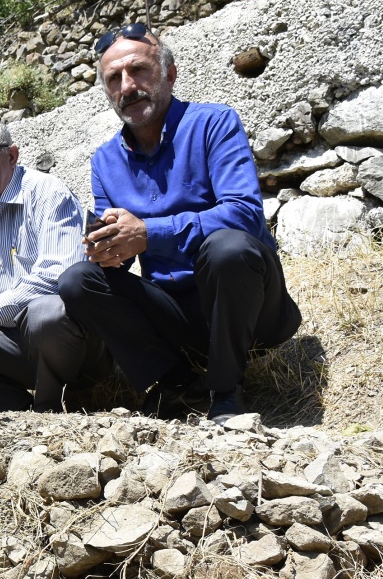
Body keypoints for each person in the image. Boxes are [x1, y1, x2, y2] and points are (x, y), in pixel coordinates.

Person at [58, 23, 301, 423]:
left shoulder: (214, 124)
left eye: (138, 70)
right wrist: (108, 247)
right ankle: (173, 383)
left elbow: (244, 213)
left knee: (227, 247)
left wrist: (149, 234)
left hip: (249, 306)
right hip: (175, 314)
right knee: (77, 281)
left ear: (169, 74)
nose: (127, 86)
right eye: (114, 79)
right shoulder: (105, 162)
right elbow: (120, 255)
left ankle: (225, 390)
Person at [0, 115, 108, 412]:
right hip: (5, 343)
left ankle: (52, 406)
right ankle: (8, 402)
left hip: (67, 343)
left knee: (46, 313)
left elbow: (60, 273)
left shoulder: (48, 193)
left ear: (11, 155)